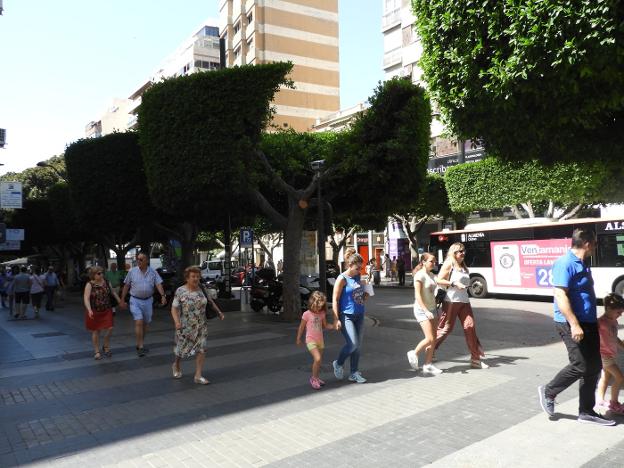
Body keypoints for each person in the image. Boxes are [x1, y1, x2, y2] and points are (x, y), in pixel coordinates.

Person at [538, 228, 615, 425]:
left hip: (588, 323)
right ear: (587, 243)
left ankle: (586, 411)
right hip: (570, 323)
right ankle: (549, 390)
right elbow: (560, 295)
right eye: (596, 243)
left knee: (595, 367)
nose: (596, 247)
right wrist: (574, 324)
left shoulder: (582, 263)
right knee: (580, 364)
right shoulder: (565, 264)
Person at [434, 243, 488, 369]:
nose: (463, 253)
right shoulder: (449, 263)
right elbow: (439, 280)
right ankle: (430, 349)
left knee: (470, 327)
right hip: (451, 301)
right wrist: (454, 283)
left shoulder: (463, 265)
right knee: (445, 329)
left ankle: (475, 359)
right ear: (454, 253)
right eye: (460, 251)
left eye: (464, 251)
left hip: (464, 301)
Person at [171, 266, 224, 384]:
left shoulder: (202, 289)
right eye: (193, 276)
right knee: (181, 350)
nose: (195, 279)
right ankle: (176, 364)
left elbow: (210, 301)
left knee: (202, 349)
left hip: (201, 325)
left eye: (197, 276)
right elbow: (174, 309)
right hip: (185, 326)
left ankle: (198, 375)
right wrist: (177, 322)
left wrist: (219, 312)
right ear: (187, 278)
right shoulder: (180, 291)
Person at [119, 252, 167, 357]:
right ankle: (140, 346)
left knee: (145, 324)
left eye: (141, 259)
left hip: (148, 300)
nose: (138, 261)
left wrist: (163, 295)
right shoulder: (132, 271)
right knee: (139, 321)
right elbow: (126, 286)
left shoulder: (153, 272)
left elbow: (158, 284)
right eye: (138, 259)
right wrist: (122, 300)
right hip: (135, 300)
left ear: (147, 261)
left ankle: (140, 342)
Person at [332, 252, 369, 384]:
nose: (360, 270)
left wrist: (365, 295)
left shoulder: (358, 276)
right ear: (350, 265)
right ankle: (338, 363)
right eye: (357, 268)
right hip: (346, 315)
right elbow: (335, 299)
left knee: (358, 346)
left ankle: (354, 372)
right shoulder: (342, 278)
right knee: (352, 343)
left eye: (361, 268)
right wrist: (336, 319)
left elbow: (358, 295)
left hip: (359, 314)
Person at [407, 253, 443, 375]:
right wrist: (426, 311)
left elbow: (440, 282)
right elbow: (417, 295)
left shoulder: (432, 275)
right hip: (422, 310)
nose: (434, 263)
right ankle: (414, 353)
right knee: (429, 338)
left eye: (435, 261)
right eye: (431, 261)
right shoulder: (419, 275)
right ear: (423, 262)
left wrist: (453, 284)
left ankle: (428, 365)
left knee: (434, 339)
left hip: (433, 309)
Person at [297, 291, 333, 389]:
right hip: (310, 340)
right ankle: (313, 379)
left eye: (320, 307)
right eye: (317, 307)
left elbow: (325, 326)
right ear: (312, 304)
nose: (318, 309)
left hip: (320, 341)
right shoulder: (306, 314)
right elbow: (301, 327)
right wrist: (298, 338)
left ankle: (316, 378)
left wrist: (334, 326)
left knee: (318, 361)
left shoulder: (322, 313)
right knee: (317, 358)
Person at [84, 266, 122, 360]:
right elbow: (86, 298)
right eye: (99, 273)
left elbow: (113, 292)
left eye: (102, 273)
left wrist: (120, 301)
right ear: (93, 275)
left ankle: (105, 345)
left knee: (110, 328)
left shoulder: (105, 281)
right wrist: (89, 310)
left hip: (107, 309)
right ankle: (97, 351)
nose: (101, 275)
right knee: (96, 331)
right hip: (95, 311)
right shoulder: (89, 284)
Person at [595, 293, 624, 414]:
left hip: (611, 354)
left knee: (605, 377)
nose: (621, 314)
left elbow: (614, 338)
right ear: (608, 309)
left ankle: (600, 400)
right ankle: (614, 403)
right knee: (620, 377)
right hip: (604, 355)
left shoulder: (614, 322)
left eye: (622, 312)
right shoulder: (600, 322)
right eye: (618, 312)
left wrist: (622, 346)